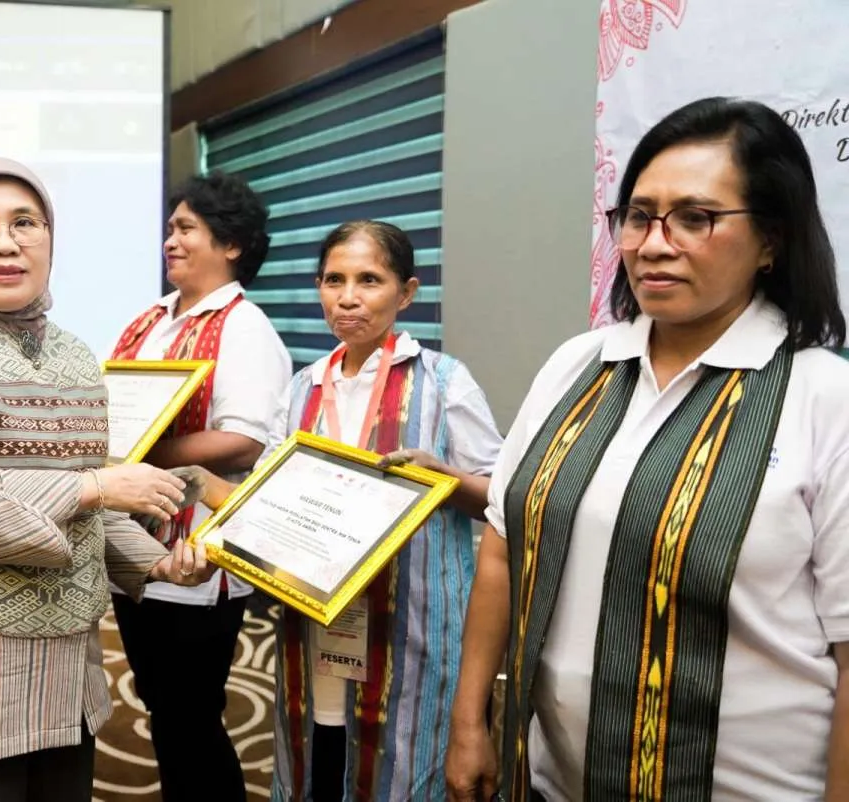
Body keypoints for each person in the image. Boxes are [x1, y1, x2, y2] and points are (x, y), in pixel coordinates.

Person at [445, 97, 849, 802]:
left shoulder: (823, 397)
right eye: (639, 215)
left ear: (771, 240)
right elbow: (506, 546)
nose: (654, 244)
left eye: (697, 218)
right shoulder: (578, 365)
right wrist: (468, 718)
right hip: (554, 783)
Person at [0, 156, 215, 802]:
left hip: (64, 683)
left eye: (24, 222)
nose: (5, 242)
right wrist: (100, 488)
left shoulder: (75, 354)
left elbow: (90, 496)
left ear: (50, 238)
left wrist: (159, 564)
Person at [196, 220, 503, 801]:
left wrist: (445, 478)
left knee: (405, 766)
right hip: (315, 618)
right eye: (334, 280)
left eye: (370, 280)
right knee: (321, 748)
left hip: (410, 617)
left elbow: (503, 497)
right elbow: (267, 492)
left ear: (406, 293)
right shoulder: (305, 386)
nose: (349, 297)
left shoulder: (443, 382)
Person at [107, 171, 291, 802]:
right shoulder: (152, 318)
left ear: (231, 243)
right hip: (133, 541)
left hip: (196, 551)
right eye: (169, 229)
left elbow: (244, 439)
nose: (170, 241)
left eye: (186, 228)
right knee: (164, 707)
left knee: (190, 715)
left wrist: (145, 453)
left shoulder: (245, 328)